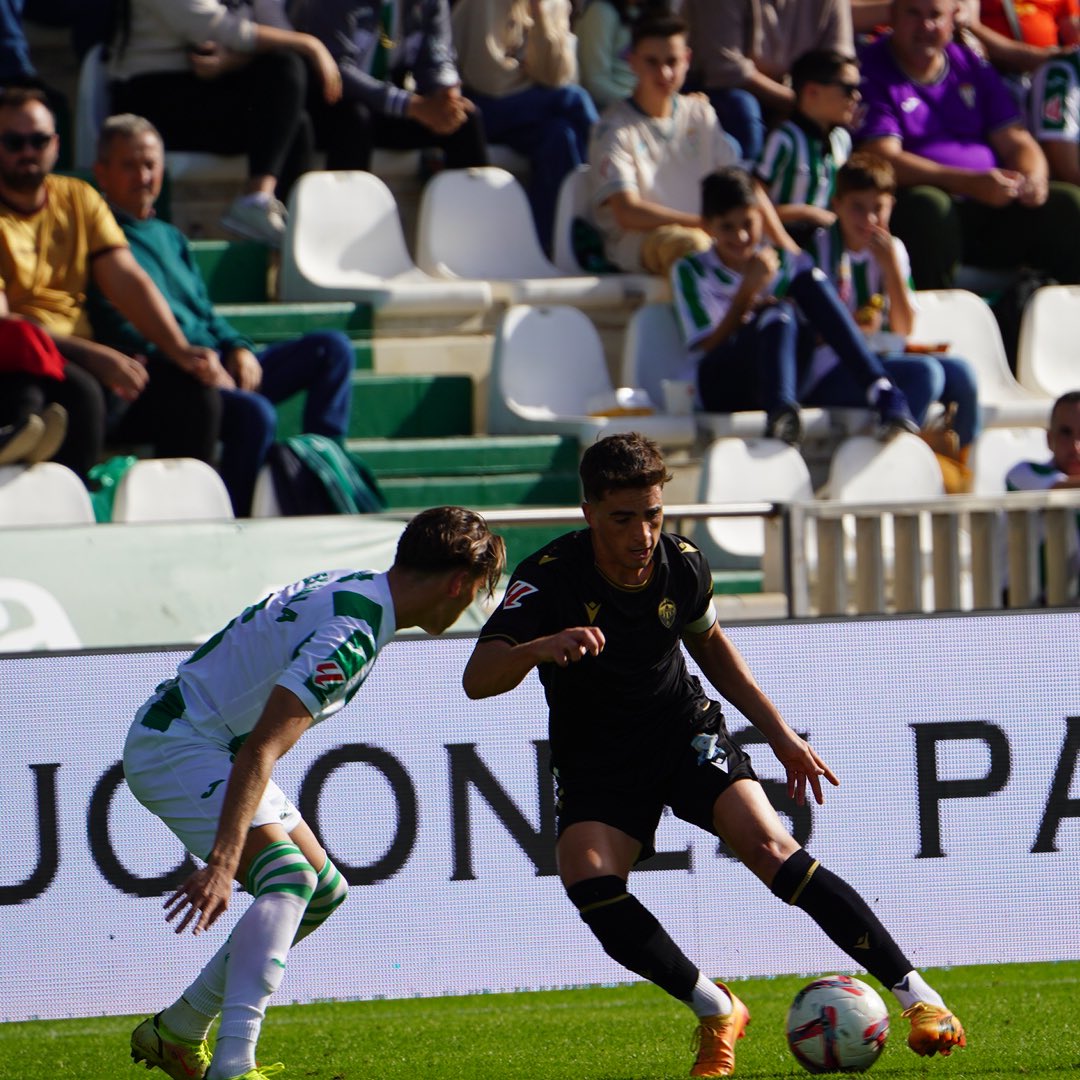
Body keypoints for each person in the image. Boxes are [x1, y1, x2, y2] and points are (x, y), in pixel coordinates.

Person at [462, 431, 966, 1079]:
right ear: (588, 513)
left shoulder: (682, 563)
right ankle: (716, 1007)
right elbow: (480, 677)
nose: (642, 535)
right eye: (623, 519)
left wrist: (780, 733)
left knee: (771, 849)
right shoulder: (547, 580)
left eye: (653, 515)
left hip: (683, 731)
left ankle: (920, 999)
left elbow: (712, 649)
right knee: (587, 878)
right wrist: (540, 647)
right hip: (600, 758)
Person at [125, 505, 506, 1080]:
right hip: (181, 743)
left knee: (323, 890)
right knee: (290, 879)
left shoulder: (358, 589)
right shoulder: (351, 636)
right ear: (458, 582)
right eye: (478, 590)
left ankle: (177, 1031)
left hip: (205, 736)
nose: (473, 604)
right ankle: (234, 1064)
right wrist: (225, 862)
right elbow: (261, 748)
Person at [89, 113, 356, 518]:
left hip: (220, 366)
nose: (143, 176)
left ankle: (322, 473)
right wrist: (195, 362)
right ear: (102, 174)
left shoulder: (170, 236)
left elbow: (206, 313)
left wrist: (238, 348)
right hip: (177, 378)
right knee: (256, 414)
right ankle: (238, 517)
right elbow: (117, 324)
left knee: (332, 349)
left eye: (150, 165)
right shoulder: (99, 240)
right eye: (129, 165)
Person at [0, 87, 224, 482]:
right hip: (21, 366)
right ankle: (77, 521)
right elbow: (6, 327)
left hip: (78, 361)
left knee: (194, 394)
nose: (27, 151)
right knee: (83, 393)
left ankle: (188, 520)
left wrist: (180, 349)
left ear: (55, 145)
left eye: (37, 140)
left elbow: (127, 280)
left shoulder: (80, 198)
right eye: (13, 141)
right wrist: (93, 355)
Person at [670, 166, 921, 445]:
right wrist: (747, 295)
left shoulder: (779, 260)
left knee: (809, 282)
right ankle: (781, 410)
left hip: (783, 374)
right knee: (779, 313)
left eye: (748, 224)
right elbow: (707, 347)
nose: (740, 237)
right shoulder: (690, 269)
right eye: (727, 227)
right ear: (707, 226)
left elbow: (815, 322)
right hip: (721, 383)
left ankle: (880, 388)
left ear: (763, 220)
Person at [855, 0, 1080, 290]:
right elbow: (882, 158)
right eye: (914, 13)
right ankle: (935, 322)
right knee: (930, 207)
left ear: (952, 20)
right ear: (892, 16)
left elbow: (1016, 139)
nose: (926, 26)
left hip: (992, 200)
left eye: (935, 15)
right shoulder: (872, 68)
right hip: (928, 207)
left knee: (1068, 205)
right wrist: (966, 183)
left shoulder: (969, 62)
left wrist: (1033, 178)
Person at [106, 0, 343, 247]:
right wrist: (310, 44)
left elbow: (234, 34)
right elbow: (225, 30)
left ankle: (295, 243)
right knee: (285, 65)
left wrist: (230, 61)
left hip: (196, 90)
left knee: (297, 122)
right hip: (149, 101)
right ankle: (254, 199)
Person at [588, 12, 793, 278]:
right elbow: (627, 212)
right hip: (646, 242)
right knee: (698, 249)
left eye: (672, 61)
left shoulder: (700, 113)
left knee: (774, 259)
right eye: (652, 62)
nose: (664, 72)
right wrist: (703, 226)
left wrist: (785, 245)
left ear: (687, 60)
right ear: (632, 62)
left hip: (713, 235)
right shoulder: (612, 128)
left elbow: (744, 186)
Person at [807, 151, 982, 455]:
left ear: (892, 207)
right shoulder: (819, 249)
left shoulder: (894, 250)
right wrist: (854, 327)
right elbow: (812, 332)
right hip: (834, 369)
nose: (870, 220)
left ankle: (959, 469)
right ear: (837, 205)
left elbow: (903, 328)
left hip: (885, 357)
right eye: (858, 208)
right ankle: (894, 463)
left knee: (962, 373)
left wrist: (890, 269)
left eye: (879, 208)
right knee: (925, 373)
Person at [451, 0, 599, 253]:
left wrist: (540, 15)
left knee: (560, 136)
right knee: (575, 100)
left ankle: (546, 243)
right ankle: (603, 197)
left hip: (529, 111)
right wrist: (534, 80)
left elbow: (557, 76)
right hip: (481, 109)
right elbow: (489, 79)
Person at [287, 0, 488, 175]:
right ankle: (348, 215)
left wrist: (446, 93)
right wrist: (410, 105)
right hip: (332, 106)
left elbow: (438, 57)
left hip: (390, 104)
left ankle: (474, 215)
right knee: (356, 117)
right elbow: (337, 72)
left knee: (464, 119)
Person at [679, 0, 855, 164]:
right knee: (743, 107)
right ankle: (745, 189)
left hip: (798, 93)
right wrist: (800, 103)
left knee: (838, 106)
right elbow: (726, 69)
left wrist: (812, 103)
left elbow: (839, 63)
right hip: (721, 91)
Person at [754, 49, 857, 246]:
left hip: (825, 249)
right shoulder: (785, 139)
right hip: (780, 249)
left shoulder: (842, 140)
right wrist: (805, 213)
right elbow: (755, 201)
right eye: (847, 88)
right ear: (812, 92)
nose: (856, 96)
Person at [1005, 389, 1080, 598]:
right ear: (1049, 439)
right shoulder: (1021, 474)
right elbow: (1057, 491)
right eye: (1066, 433)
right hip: (1026, 615)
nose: (1076, 447)